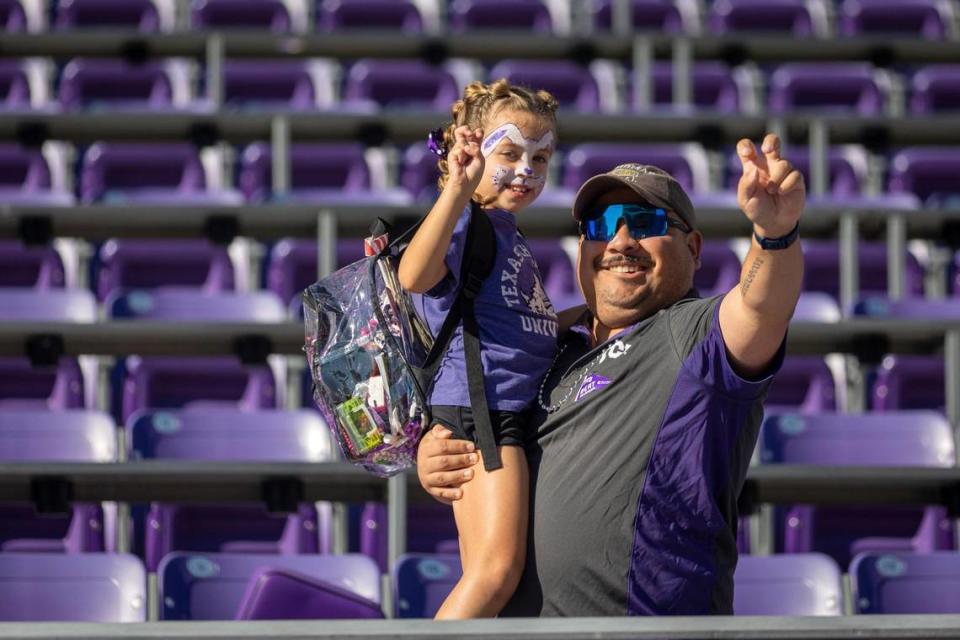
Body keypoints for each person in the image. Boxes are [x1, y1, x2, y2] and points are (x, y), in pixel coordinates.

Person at [416, 133, 806, 616]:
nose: (620, 241)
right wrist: (439, 448)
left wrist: (775, 235)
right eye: (602, 226)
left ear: (694, 247)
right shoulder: (542, 345)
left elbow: (762, 306)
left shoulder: (694, 335)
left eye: (645, 223)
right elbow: (479, 410)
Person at [398, 79, 573, 618]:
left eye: (541, 159)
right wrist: (457, 187)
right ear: (470, 150)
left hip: (502, 411)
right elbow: (414, 274)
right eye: (511, 153)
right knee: (494, 574)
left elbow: (520, 324)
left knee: (492, 582)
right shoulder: (463, 219)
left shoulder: (504, 230)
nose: (528, 170)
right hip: (483, 411)